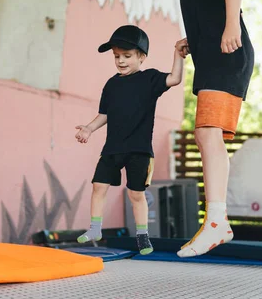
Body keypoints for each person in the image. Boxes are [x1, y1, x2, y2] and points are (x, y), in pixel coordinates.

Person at [143, 0, 254, 257]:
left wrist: (231, 25)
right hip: (213, 55)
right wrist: (197, 40)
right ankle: (217, 219)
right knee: (208, 134)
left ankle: (217, 221)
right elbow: (209, 4)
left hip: (227, 54)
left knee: (207, 133)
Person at [75, 25, 186, 255]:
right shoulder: (111, 84)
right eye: (117, 56)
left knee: (136, 194)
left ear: (141, 57)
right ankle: (95, 228)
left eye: (127, 56)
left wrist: (177, 53)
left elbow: (175, 79)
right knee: (98, 186)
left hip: (139, 150)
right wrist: (89, 128)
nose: (121, 61)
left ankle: (143, 236)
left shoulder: (150, 79)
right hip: (113, 148)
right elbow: (104, 114)